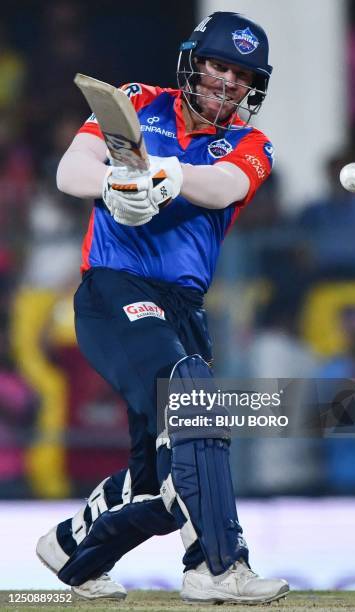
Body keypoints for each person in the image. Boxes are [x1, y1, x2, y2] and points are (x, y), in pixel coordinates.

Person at [36, 11, 289, 605]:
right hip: (114, 291)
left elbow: (224, 186)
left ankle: (73, 548)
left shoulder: (254, 143)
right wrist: (113, 187)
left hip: (183, 307)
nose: (228, 83)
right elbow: (70, 171)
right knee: (193, 397)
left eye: (242, 75)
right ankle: (218, 568)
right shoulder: (135, 101)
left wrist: (167, 174)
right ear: (195, 63)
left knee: (163, 473)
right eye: (219, 66)